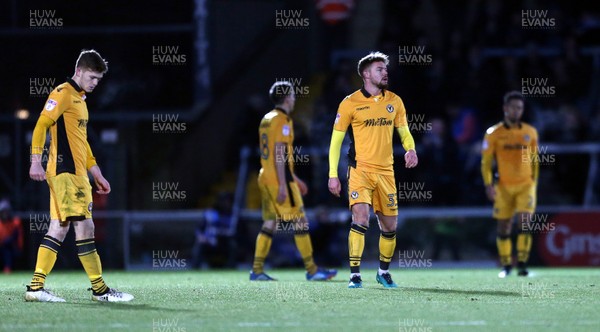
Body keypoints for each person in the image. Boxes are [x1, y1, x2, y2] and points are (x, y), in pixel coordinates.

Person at [26, 49, 134, 302]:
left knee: (59, 227)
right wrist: (35, 162)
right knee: (85, 227)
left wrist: (96, 172)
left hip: (75, 174)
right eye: (92, 77)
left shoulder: (80, 100)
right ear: (79, 71)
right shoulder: (62, 94)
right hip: (66, 174)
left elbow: (81, 142)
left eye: (99, 79)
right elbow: (41, 124)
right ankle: (100, 290)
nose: (95, 83)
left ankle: (36, 288)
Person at [328, 52, 418, 288]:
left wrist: (410, 149)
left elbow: (404, 131)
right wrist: (332, 175)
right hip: (360, 170)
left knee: (389, 226)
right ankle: (355, 275)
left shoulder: (395, 101)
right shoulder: (349, 103)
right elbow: (335, 142)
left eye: (385, 68)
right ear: (366, 74)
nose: (385, 72)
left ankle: (383, 272)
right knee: (360, 218)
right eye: (380, 69)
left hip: (386, 172)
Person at [250, 81, 337, 281]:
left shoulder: (266, 118)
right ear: (287, 97)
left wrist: (295, 178)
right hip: (278, 181)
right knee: (301, 221)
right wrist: (283, 184)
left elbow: (271, 153)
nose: (295, 98)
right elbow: (279, 152)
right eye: (293, 94)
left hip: (265, 177)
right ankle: (312, 270)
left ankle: (256, 270)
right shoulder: (283, 120)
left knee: (270, 223)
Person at [481, 91, 538, 278]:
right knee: (504, 226)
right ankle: (506, 265)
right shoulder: (493, 133)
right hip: (503, 186)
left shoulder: (530, 132)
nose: (516, 111)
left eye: (519, 108)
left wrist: (534, 183)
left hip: (525, 185)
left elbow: (535, 160)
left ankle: (522, 264)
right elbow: (486, 162)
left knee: (525, 223)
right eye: (513, 107)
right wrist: (488, 185)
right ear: (505, 109)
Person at [0, 199, 23, 273]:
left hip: (9, 246)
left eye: (6, 212)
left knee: (7, 250)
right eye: (3, 212)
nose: (5, 214)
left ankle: (7, 268)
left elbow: (17, 236)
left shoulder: (15, 222)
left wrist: (19, 247)